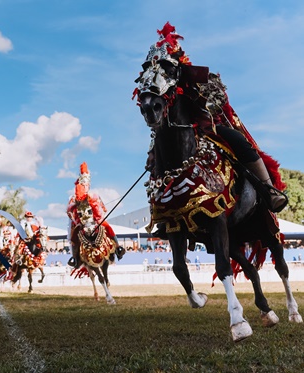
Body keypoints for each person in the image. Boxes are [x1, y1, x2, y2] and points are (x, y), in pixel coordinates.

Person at [141, 22, 287, 213]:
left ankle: (269, 191)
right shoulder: (160, 90)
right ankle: (163, 211)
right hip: (173, 131)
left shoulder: (198, 79)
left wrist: (207, 100)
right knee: (156, 158)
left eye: (166, 67)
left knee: (238, 140)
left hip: (206, 128)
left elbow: (219, 97)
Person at [66, 162, 125, 268]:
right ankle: (75, 258)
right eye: (83, 182)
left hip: (94, 219)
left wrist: (101, 211)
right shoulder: (73, 199)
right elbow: (70, 212)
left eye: (86, 182)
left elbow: (101, 207)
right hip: (82, 222)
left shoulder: (93, 195)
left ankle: (117, 248)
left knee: (107, 227)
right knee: (74, 236)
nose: (85, 184)